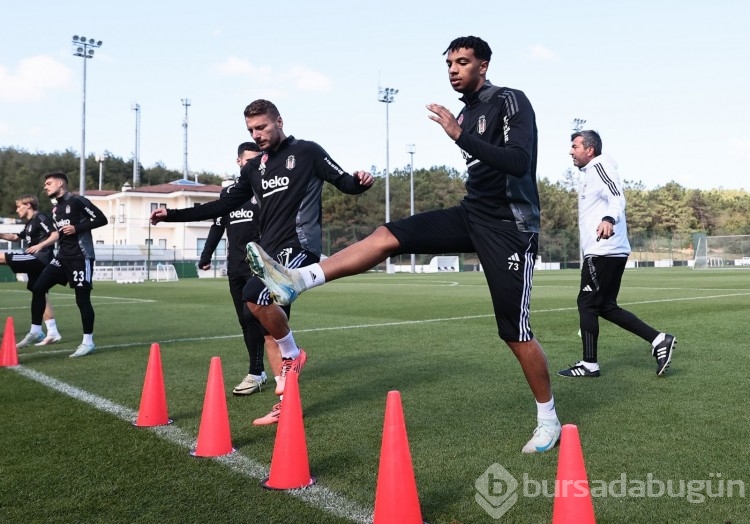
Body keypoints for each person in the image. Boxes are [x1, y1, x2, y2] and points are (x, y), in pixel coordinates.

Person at [244, 36, 562, 453]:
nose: (453, 69)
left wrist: (458, 135)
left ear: (483, 65)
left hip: (510, 227)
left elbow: (520, 162)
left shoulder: (510, 101)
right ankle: (299, 280)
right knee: (386, 235)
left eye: (462, 62)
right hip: (471, 214)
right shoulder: (467, 111)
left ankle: (548, 419)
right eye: (449, 62)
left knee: (514, 332)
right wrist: (460, 130)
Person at [150, 99, 374, 425]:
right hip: (268, 256)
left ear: (279, 121)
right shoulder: (254, 169)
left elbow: (345, 183)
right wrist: (172, 214)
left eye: (262, 127)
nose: (256, 134)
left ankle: (295, 355)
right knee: (266, 326)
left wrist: (361, 181)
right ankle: (288, 399)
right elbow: (219, 207)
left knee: (254, 294)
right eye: (251, 130)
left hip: (300, 247)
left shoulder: (308, 152)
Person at [558, 130, 676, 378]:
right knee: (605, 306)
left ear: (590, 149)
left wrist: (609, 218)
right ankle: (658, 340)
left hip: (604, 249)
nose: (571, 151)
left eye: (575, 146)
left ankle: (589, 364)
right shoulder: (591, 173)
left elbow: (616, 196)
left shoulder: (600, 167)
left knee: (587, 303)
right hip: (607, 250)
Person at [198, 142, 280, 395]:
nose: (255, 165)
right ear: (239, 162)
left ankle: (266, 372)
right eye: (250, 161)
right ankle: (259, 372)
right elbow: (217, 226)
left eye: (259, 160)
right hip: (235, 267)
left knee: (262, 322)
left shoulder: (266, 192)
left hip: (261, 267)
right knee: (246, 323)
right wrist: (206, 254)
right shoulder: (230, 196)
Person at [33, 172, 108, 357]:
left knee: (82, 300)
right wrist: (42, 244)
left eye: (48, 183)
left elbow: (102, 219)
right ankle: (41, 330)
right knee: (38, 287)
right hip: (62, 257)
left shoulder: (77, 201)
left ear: (60, 183)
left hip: (81, 257)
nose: (45, 187)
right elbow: (59, 233)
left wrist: (77, 228)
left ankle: (88, 342)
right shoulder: (56, 209)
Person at [0, 195, 62, 347]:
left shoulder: (41, 217)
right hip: (35, 259)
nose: (16, 209)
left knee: (2, 257)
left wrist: (41, 246)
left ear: (28, 205)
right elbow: (15, 237)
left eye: (19, 206)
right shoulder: (29, 224)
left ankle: (37, 331)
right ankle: (50, 332)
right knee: (40, 293)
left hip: (39, 259)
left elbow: (55, 234)